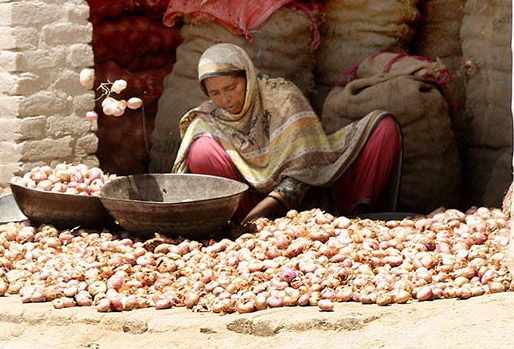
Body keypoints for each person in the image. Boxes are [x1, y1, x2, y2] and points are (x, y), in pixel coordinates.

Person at [172, 43, 402, 224]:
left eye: (231, 88)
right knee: (201, 147)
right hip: (248, 206)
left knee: (383, 126)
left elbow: (308, 167)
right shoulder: (211, 115)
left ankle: (357, 217)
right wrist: (249, 221)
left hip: (314, 194)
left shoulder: (281, 96)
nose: (225, 99)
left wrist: (262, 212)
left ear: (248, 77)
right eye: (215, 93)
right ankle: (236, 222)